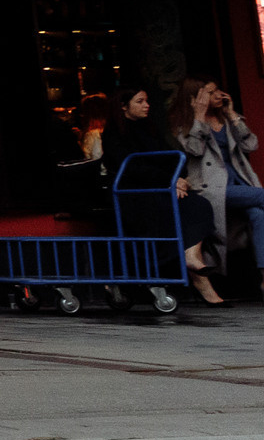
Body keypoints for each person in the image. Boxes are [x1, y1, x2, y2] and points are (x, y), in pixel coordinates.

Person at [104, 85, 222, 307]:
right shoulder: (114, 134)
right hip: (136, 195)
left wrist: (180, 178)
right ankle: (198, 276)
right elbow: (132, 168)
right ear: (123, 107)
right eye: (139, 101)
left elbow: (174, 157)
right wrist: (169, 181)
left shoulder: (149, 128)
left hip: (162, 190)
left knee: (198, 205)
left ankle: (192, 258)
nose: (146, 105)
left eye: (146, 101)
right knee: (179, 210)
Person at [174, 79, 262, 277]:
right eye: (211, 93)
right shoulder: (186, 126)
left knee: (259, 215)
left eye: (218, 90)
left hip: (239, 183)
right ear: (196, 98)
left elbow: (251, 146)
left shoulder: (227, 120)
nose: (219, 95)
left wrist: (232, 115)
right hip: (212, 186)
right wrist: (199, 116)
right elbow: (195, 150)